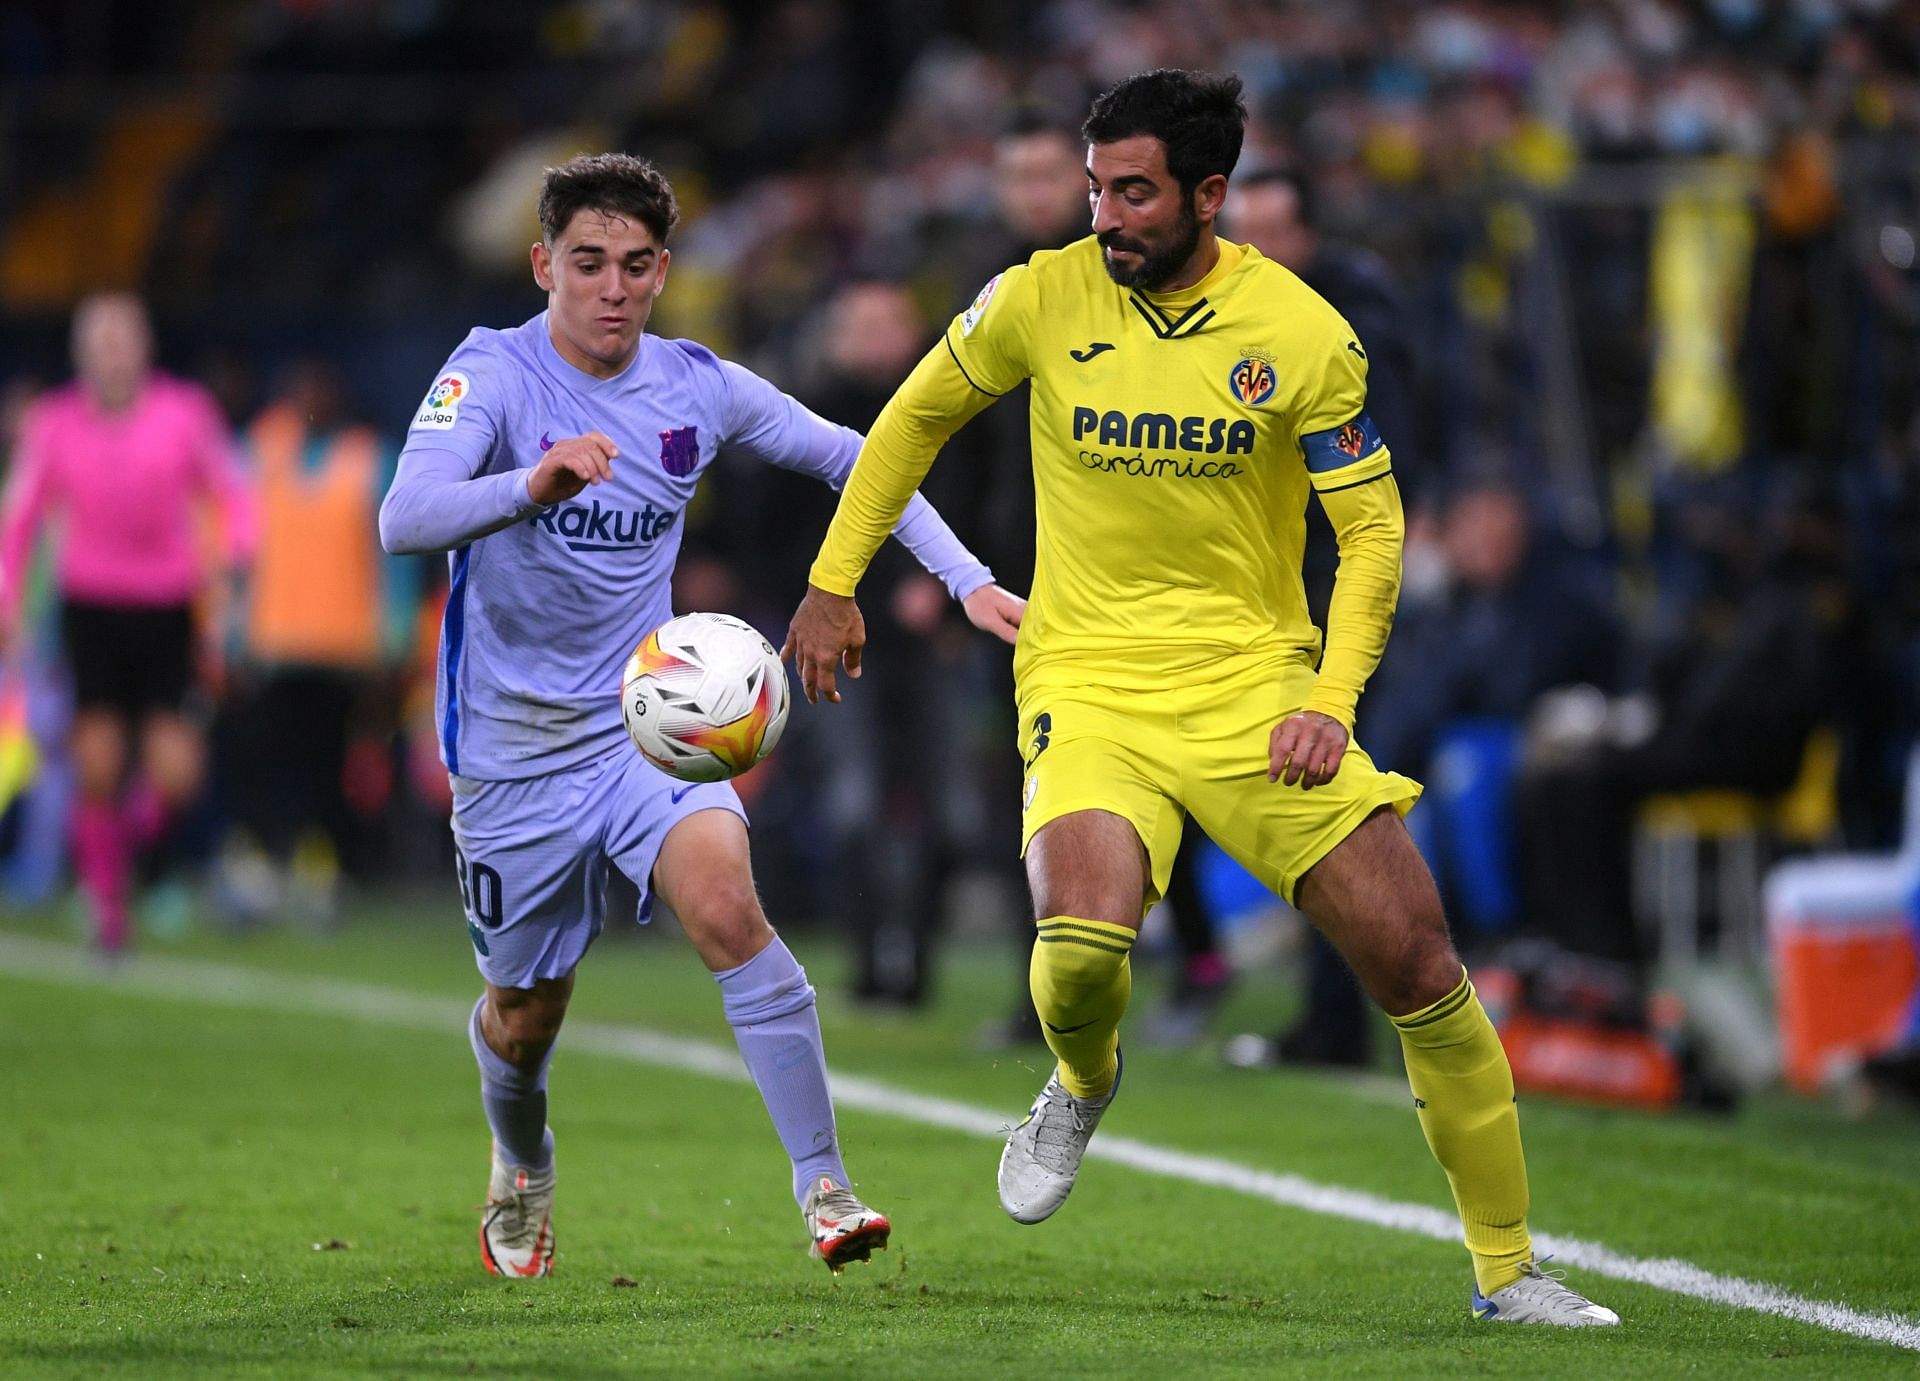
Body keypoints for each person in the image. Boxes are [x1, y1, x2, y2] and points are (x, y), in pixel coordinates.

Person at [786, 70, 1617, 1327]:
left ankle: (1510, 1270)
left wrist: (1331, 701)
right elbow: (910, 421)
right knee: (1076, 955)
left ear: (1208, 195)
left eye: (1133, 192)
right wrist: (833, 580)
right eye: (1094, 189)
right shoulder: (1038, 296)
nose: (1105, 216)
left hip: (1253, 691)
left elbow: (1372, 533)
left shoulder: (1302, 334)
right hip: (1088, 679)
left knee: (1419, 957)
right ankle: (1082, 1074)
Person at [378, 153, 1022, 1279]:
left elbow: (861, 460)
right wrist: (531, 485)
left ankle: (824, 1185)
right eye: (587, 264)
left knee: (729, 909)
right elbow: (405, 517)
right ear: (544, 266)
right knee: (524, 1017)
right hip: (510, 747)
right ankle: (520, 1162)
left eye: (635, 265)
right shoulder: (490, 376)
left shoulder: (697, 385)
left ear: (664, 271)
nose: (612, 287)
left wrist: (965, 578)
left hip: (645, 724)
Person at [0, 293, 254, 957]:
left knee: (176, 773)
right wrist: (6, 602)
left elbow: (232, 491)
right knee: (98, 764)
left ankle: (124, 861)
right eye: (100, 340)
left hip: (168, 607)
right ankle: (107, 910)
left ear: (145, 347)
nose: (112, 352)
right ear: (82, 353)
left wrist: (234, 563)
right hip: (89, 608)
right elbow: (19, 519)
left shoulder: (184, 414)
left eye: (123, 338)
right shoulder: (53, 424)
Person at [225, 358, 417, 921]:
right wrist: (229, 633)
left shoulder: (371, 459)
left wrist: (395, 636)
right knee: (267, 763)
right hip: (271, 647)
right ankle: (264, 865)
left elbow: (395, 560)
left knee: (332, 768)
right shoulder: (257, 452)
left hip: (344, 651)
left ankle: (324, 869)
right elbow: (234, 549)